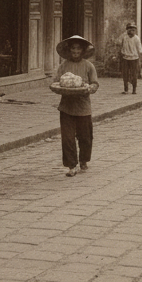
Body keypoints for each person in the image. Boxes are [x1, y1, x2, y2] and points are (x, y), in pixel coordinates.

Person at [52, 35, 99, 176]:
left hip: (83, 107)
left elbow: (95, 83)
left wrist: (90, 88)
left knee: (85, 137)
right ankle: (72, 165)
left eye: (78, 48)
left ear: (83, 50)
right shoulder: (64, 66)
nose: (76, 51)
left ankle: (83, 160)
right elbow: (56, 81)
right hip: (66, 107)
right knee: (67, 138)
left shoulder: (89, 66)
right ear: (69, 50)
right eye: (73, 48)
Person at [120, 22, 142, 94]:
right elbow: (121, 47)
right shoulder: (124, 38)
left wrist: (141, 60)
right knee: (125, 74)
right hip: (125, 58)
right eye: (130, 30)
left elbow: (140, 50)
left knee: (134, 74)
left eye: (133, 30)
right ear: (127, 30)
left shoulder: (136, 39)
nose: (132, 31)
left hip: (134, 58)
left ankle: (134, 89)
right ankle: (126, 89)